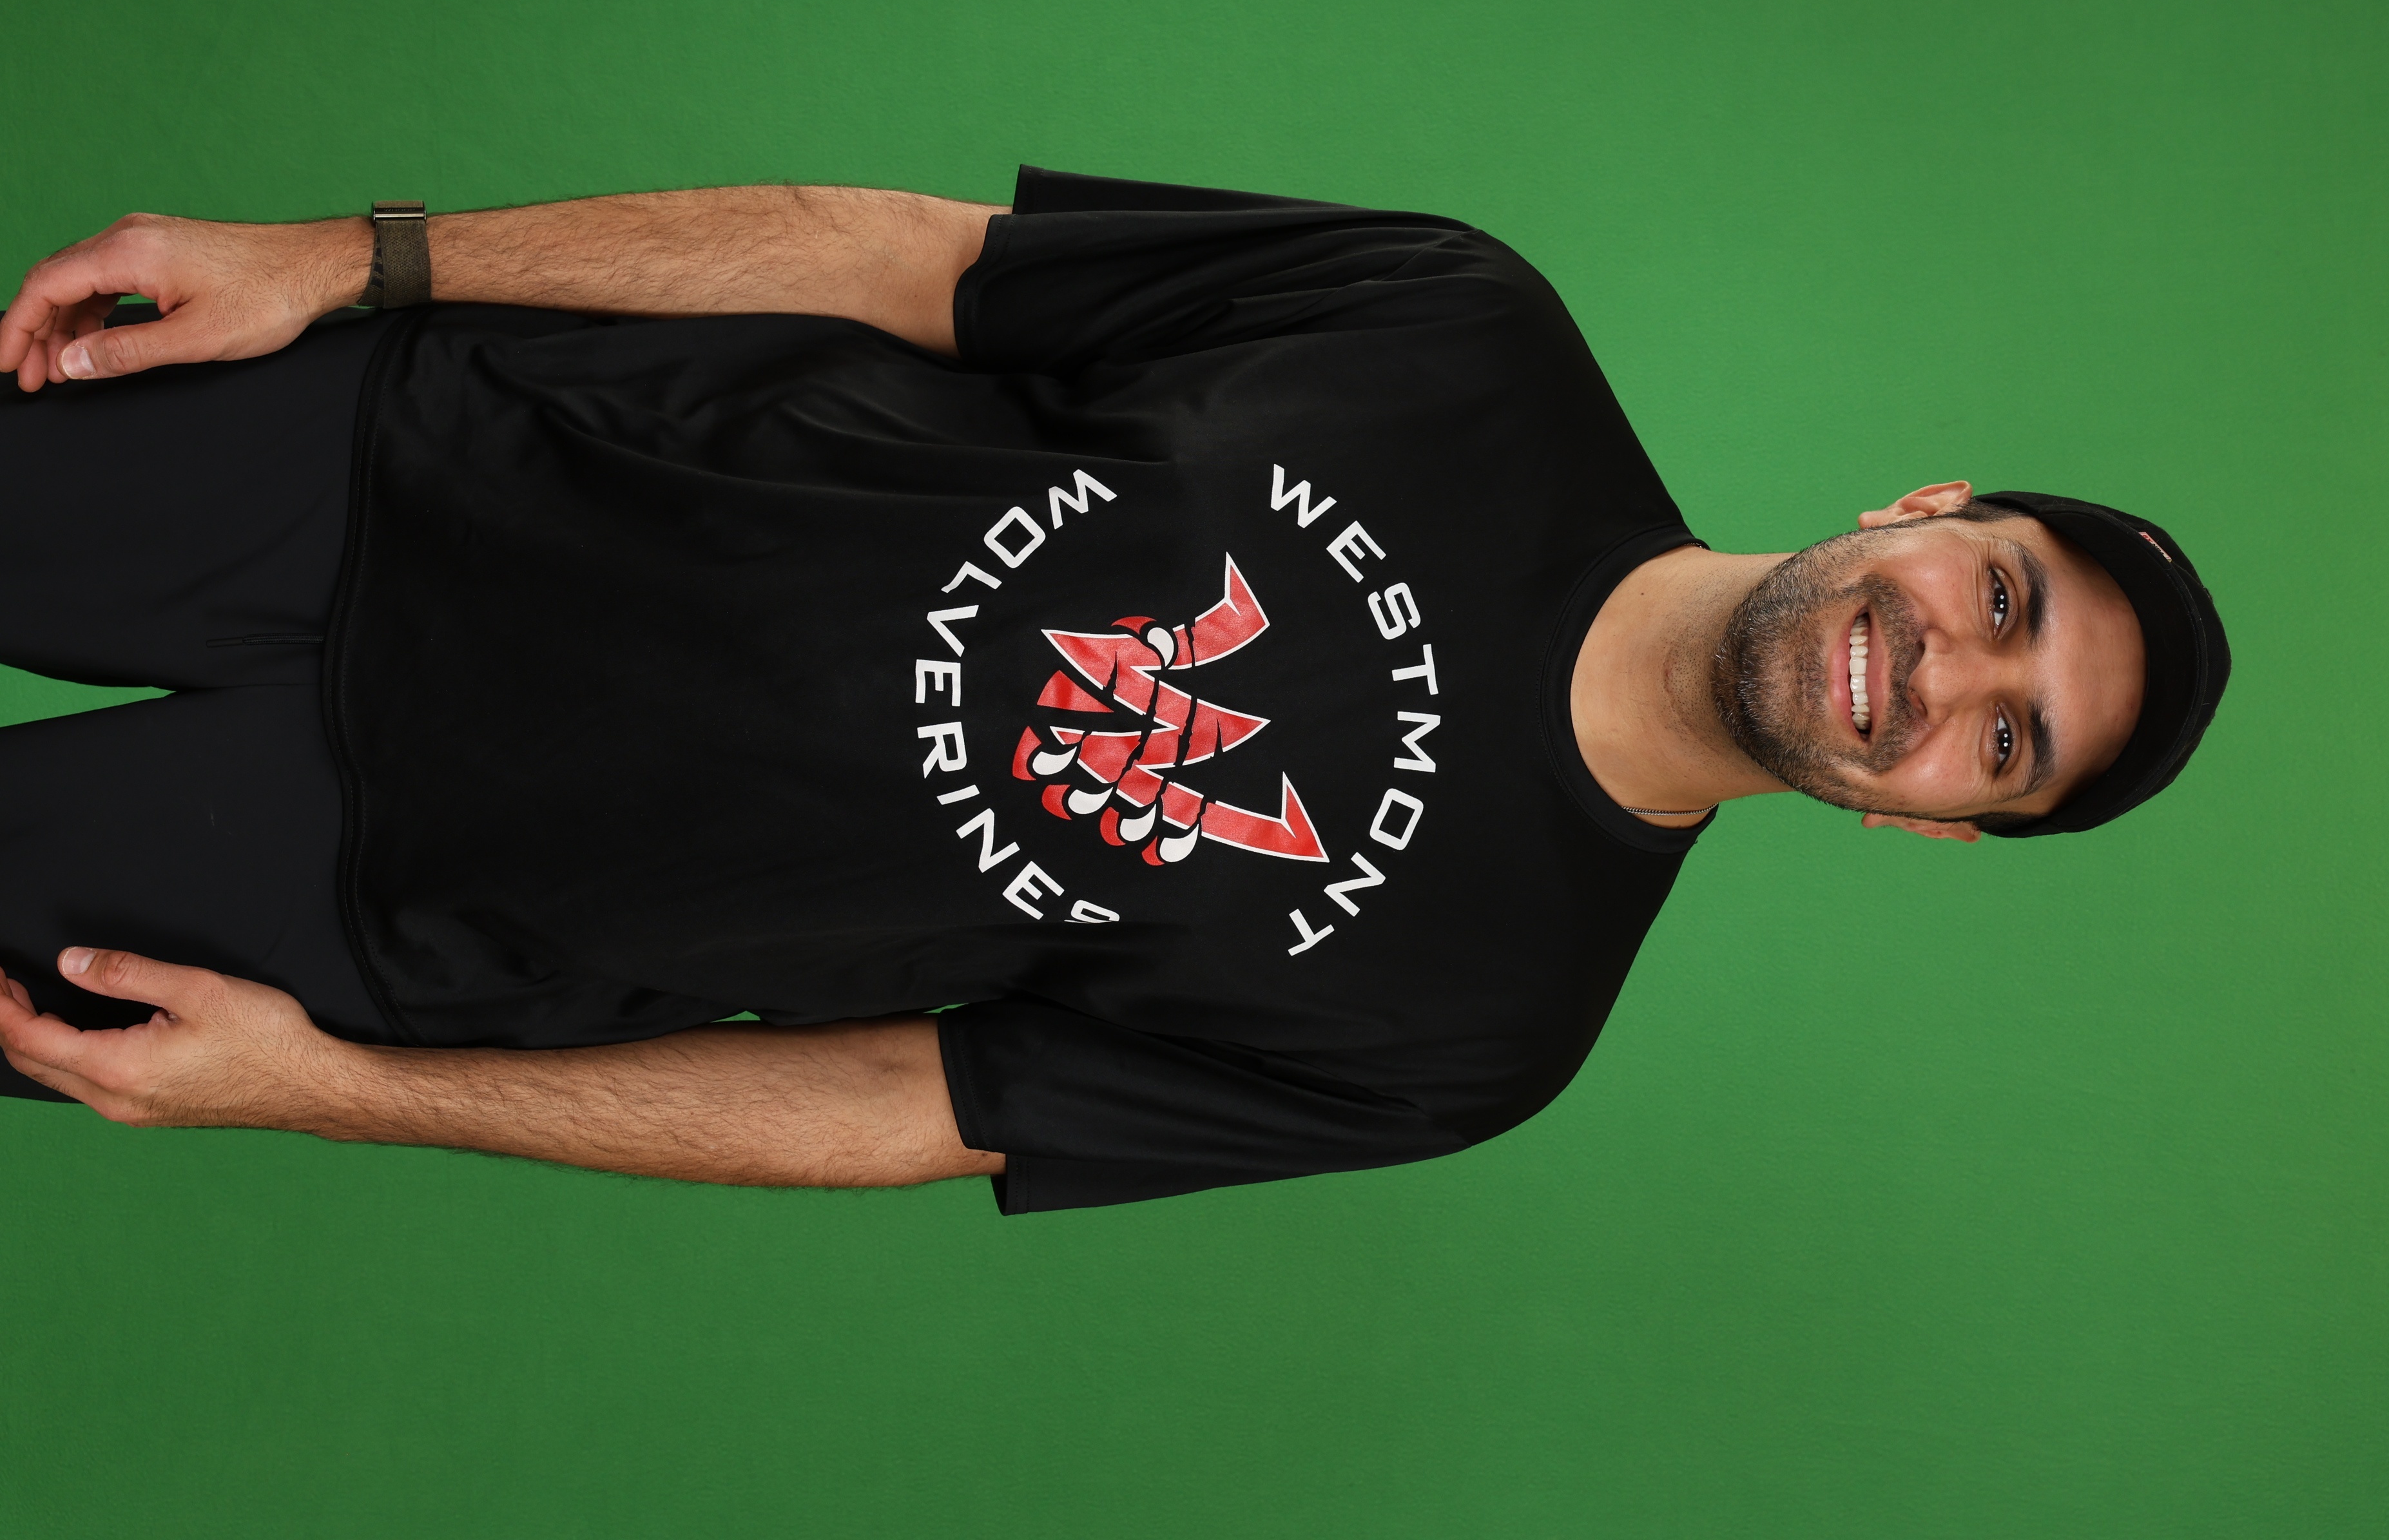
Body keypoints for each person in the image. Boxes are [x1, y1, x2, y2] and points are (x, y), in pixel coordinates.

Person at [0, 170, 2229, 1212]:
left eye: (2006, 740)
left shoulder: (1480, 1038)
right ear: (1927, 506)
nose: (1943, 667)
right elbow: (904, 260)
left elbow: (907, 1104)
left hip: (399, 903)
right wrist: (350, 263)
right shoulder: (1464, 327)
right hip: (403, 463)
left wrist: (328, 1090)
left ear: (1932, 824)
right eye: (2000, 593)